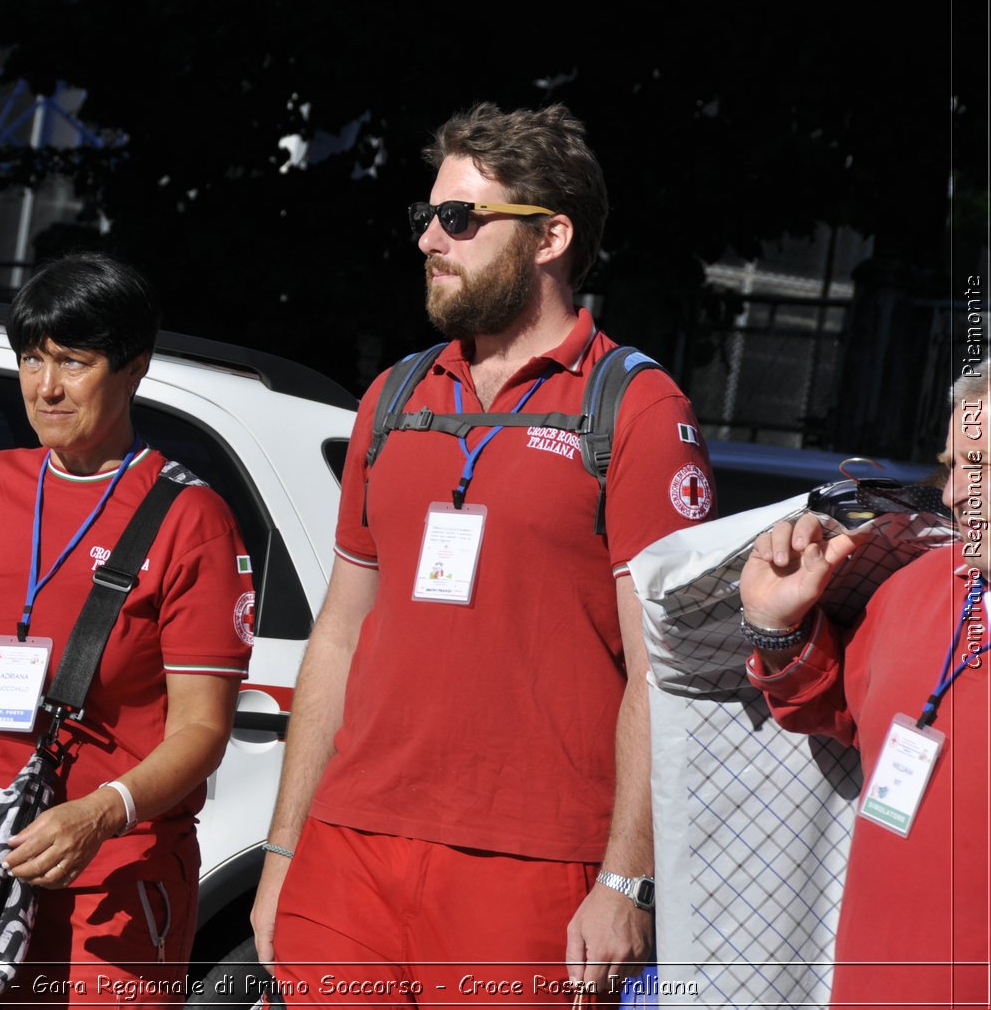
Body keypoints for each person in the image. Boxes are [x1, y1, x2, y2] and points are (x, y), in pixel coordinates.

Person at [252, 102, 715, 1004]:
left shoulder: (640, 410)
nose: (430, 238)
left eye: (459, 218)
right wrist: (283, 849)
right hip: (348, 851)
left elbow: (667, 668)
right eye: (426, 215)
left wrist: (625, 882)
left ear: (551, 236)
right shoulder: (393, 395)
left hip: (534, 862)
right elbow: (339, 637)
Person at [0, 252, 254, 1005]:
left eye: (73, 360)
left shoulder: (191, 518)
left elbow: (202, 728)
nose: (46, 386)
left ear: (133, 368)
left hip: (106, 876)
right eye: (32, 358)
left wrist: (103, 811)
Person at [739, 372, 988, 1009]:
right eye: (951, 465)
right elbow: (836, 708)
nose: (955, 493)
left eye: (979, 464)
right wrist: (776, 628)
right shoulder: (925, 583)